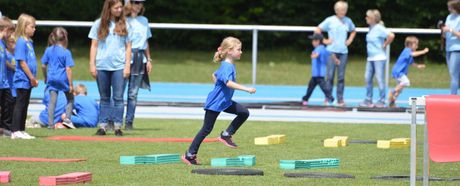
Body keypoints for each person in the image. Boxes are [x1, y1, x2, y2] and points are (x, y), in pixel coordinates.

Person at [182, 37, 256, 165]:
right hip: (216, 103)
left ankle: (226, 135)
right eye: (239, 49)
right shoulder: (227, 66)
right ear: (229, 51)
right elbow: (228, 83)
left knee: (244, 112)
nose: (241, 52)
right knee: (206, 129)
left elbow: (215, 75)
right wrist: (246, 89)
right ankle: (189, 155)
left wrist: (218, 84)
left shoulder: (228, 65)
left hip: (225, 102)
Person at [89, 0, 132, 136]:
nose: (120, 9)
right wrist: (92, 64)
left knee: (118, 97)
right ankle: (102, 126)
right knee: (104, 98)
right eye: (117, 7)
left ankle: (118, 127)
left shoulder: (125, 24)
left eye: (121, 7)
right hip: (102, 66)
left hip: (119, 67)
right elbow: (94, 45)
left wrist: (127, 66)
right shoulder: (98, 24)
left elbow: (128, 47)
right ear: (109, 8)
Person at [315, 1, 356, 106]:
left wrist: (350, 40)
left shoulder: (348, 21)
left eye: (345, 10)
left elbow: (353, 31)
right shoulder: (330, 20)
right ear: (336, 10)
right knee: (330, 76)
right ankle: (328, 97)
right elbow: (318, 29)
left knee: (341, 77)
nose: (343, 12)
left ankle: (340, 99)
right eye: (341, 10)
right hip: (331, 52)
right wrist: (324, 41)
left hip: (343, 52)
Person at [124, 0, 152, 130]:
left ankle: (129, 122)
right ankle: (113, 121)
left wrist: (149, 59)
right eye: (136, 2)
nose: (138, 5)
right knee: (118, 93)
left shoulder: (144, 20)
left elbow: (145, 41)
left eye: (140, 2)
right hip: (124, 58)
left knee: (133, 93)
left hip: (140, 58)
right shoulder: (122, 20)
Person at [359, 9, 395, 108]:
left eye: (368, 17)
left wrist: (385, 44)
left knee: (379, 79)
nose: (366, 18)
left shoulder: (379, 28)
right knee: (367, 78)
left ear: (374, 18)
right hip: (370, 58)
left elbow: (391, 35)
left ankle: (382, 100)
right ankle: (368, 99)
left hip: (379, 58)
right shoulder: (371, 28)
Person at [41, 27, 75, 129]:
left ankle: (50, 124)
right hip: (63, 79)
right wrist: (70, 84)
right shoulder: (66, 52)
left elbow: (43, 65)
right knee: (70, 99)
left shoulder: (48, 50)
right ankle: (67, 119)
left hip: (51, 79)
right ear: (65, 38)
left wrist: (45, 77)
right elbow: (68, 69)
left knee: (52, 102)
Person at [11, 13, 38, 139]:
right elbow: (22, 62)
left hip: (28, 80)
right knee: (20, 104)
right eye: (32, 27)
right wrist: (31, 77)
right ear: (24, 27)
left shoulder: (29, 42)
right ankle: (15, 130)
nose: (34, 29)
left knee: (25, 103)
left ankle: (22, 129)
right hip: (23, 78)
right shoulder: (21, 42)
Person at [388, 36, 429, 107]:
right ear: (410, 45)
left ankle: (392, 102)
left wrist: (419, 66)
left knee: (400, 90)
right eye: (416, 44)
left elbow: (412, 63)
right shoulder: (407, 50)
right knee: (406, 82)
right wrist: (423, 51)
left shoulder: (409, 53)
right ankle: (392, 92)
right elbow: (413, 54)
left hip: (400, 72)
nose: (417, 46)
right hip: (398, 71)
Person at [301, 33, 334, 106]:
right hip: (316, 74)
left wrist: (314, 55)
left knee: (324, 88)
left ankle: (330, 98)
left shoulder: (319, 48)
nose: (312, 42)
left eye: (313, 41)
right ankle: (305, 99)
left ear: (318, 41)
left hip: (319, 74)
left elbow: (317, 54)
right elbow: (330, 53)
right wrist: (336, 60)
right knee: (311, 87)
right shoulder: (324, 48)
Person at [0, 16, 15, 136]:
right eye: (10, 31)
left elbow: (4, 61)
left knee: (7, 105)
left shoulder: (3, 45)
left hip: (4, 82)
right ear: (5, 29)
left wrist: (13, 68)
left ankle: (5, 129)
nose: (11, 34)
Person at [442, 0, 460, 94]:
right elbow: (446, 31)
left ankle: (452, 97)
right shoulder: (449, 17)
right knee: (453, 74)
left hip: (457, 49)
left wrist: (450, 30)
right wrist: (444, 31)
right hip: (448, 48)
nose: (448, 9)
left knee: (454, 74)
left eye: (450, 7)